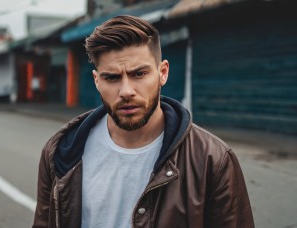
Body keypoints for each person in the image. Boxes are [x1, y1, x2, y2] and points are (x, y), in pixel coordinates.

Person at [33, 15, 254, 228]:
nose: (126, 91)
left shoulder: (213, 159)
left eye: (139, 74)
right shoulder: (60, 152)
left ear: (163, 73)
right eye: (112, 77)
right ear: (97, 81)